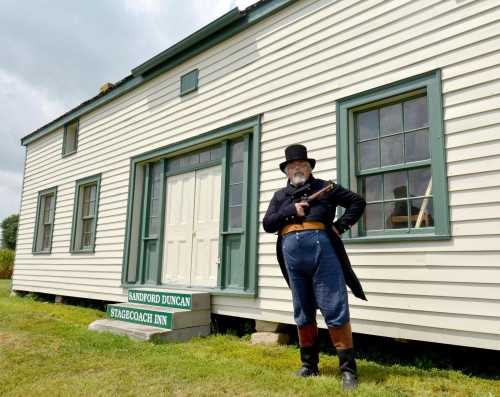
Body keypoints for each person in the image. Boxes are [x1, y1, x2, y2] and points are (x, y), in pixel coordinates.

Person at [263, 144, 367, 390]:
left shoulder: (325, 188)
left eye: (301, 165)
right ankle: (309, 365)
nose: (297, 168)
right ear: (287, 171)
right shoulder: (280, 196)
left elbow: (357, 202)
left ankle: (348, 372)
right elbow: (268, 224)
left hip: (324, 255)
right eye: (292, 166)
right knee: (302, 309)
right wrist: (291, 210)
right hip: (293, 261)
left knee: (334, 306)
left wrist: (339, 226)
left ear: (309, 168)